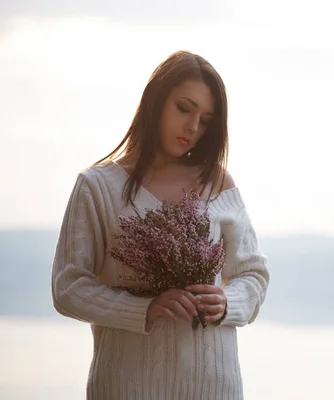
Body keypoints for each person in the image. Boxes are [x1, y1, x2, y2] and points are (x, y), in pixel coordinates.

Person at [51, 50, 270, 400]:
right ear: (155, 101)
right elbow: (68, 288)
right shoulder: (97, 187)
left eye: (206, 119)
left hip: (214, 387)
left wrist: (227, 302)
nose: (193, 128)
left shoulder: (218, 184)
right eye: (184, 108)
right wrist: (145, 308)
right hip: (125, 386)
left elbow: (253, 274)